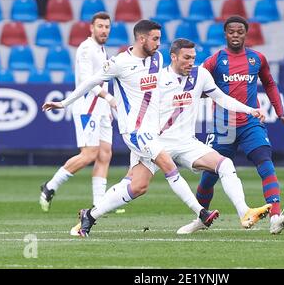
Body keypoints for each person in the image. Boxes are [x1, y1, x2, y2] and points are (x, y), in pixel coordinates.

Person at [42, 20, 220, 237]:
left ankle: (89, 215)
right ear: (141, 38)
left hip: (153, 132)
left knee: (138, 186)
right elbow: (90, 82)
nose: (159, 43)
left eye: (159, 39)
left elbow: (158, 92)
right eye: (155, 38)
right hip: (134, 132)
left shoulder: (158, 58)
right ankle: (201, 212)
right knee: (168, 165)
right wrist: (64, 103)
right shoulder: (119, 63)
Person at [177, 15, 284, 235]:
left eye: (239, 32)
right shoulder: (215, 61)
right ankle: (201, 218)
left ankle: (275, 218)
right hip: (223, 126)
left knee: (266, 164)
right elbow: (198, 86)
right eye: (231, 32)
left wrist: (281, 114)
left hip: (250, 124)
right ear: (225, 34)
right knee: (209, 177)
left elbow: (270, 84)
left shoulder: (257, 59)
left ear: (246, 33)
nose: (235, 35)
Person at [158, 38, 273, 232]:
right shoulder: (158, 79)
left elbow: (222, 98)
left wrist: (249, 110)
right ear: (173, 57)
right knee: (136, 186)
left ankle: (244, 212)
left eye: (193, 57)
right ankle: (92, 214)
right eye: (186, 58)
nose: (191, 62)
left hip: (186, 143)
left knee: (225, 164)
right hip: (158, 143)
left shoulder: (200, 75)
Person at [39, 12, 116, 212]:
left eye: (107, 26)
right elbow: (86, 82)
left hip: (101, 109)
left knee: (105, 154)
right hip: (87, 108)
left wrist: (107, 107)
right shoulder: (86, 49)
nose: (104, 30)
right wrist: (108, 98)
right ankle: (50, 186)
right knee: (89, 154)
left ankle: (98, 205)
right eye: (100, 26)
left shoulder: (102, 50)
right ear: (91, 27)